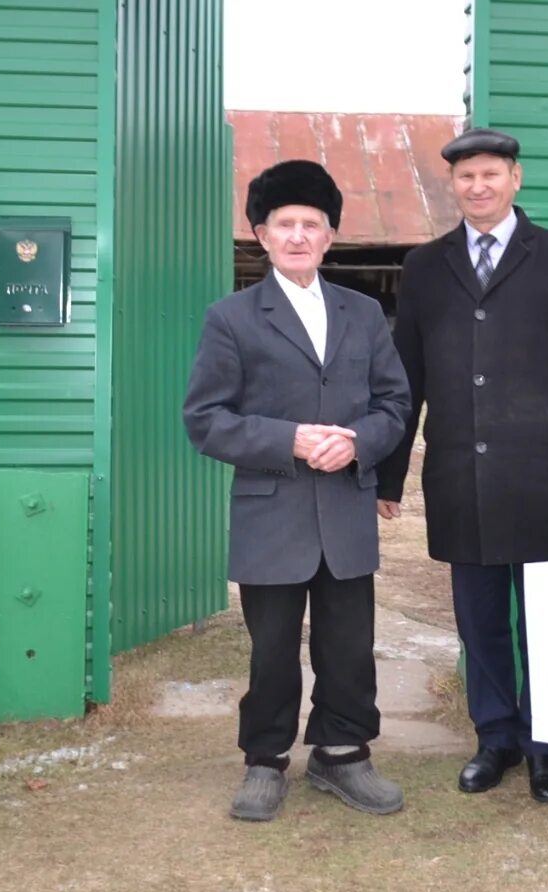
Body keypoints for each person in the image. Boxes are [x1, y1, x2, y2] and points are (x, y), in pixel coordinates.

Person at [377, 128, 548, 803]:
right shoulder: (424, 266)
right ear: (453, 186)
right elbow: (405, 377)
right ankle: (496, 738)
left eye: (490, 174)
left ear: (515, 178)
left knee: (546, 617)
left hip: (544, 477)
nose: (478, 187)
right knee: (480, 620)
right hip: (459, 477)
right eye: (466, 177)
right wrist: (390, 475)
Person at [183, 160, 411, 822]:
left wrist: (360, 441)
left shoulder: (364, 314)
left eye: (312, 224)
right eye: (285, 224)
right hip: (271, 514)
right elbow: (205, 420)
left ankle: (343, 755)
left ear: (329, 236)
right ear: (262, 233)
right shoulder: (231, 318)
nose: (298, 235)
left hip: (343, 509)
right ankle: (265, 761)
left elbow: (395, 403)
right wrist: (290, 440)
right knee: (272, 648)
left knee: (348, 644)